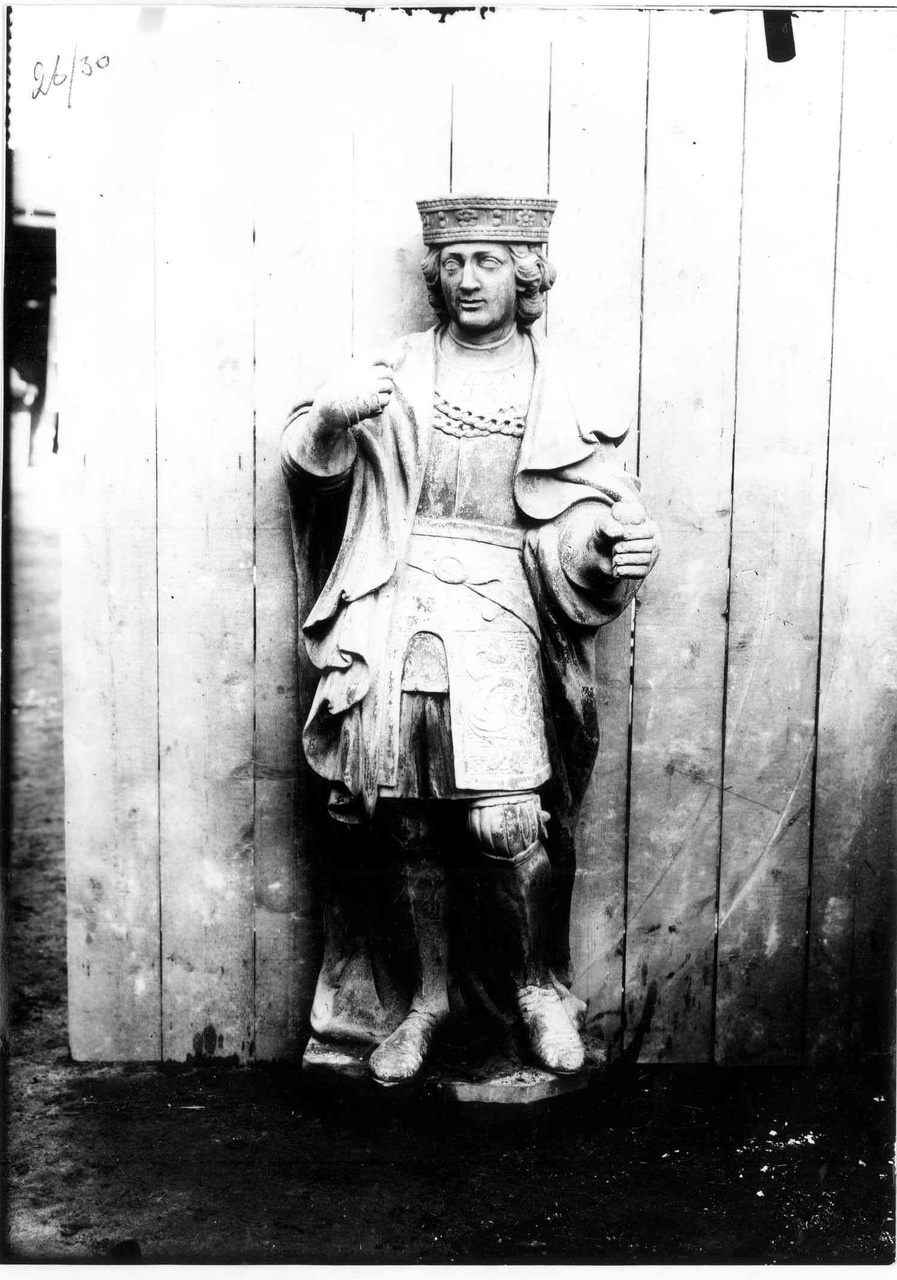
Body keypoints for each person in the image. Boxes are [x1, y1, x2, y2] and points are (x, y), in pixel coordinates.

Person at [281, 195, 659, 1087]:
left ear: (525, 274)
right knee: (404, 817)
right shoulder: (397, 368)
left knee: (506, 817)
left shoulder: (560, 385)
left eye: (487, 261)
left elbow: (589, 514)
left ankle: (534, 989)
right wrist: (330, 419)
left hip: (502, 610)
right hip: (397, 607)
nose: (467, 279)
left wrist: (613, 548)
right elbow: (309, 463)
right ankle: (425, 1002)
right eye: (452, 263)